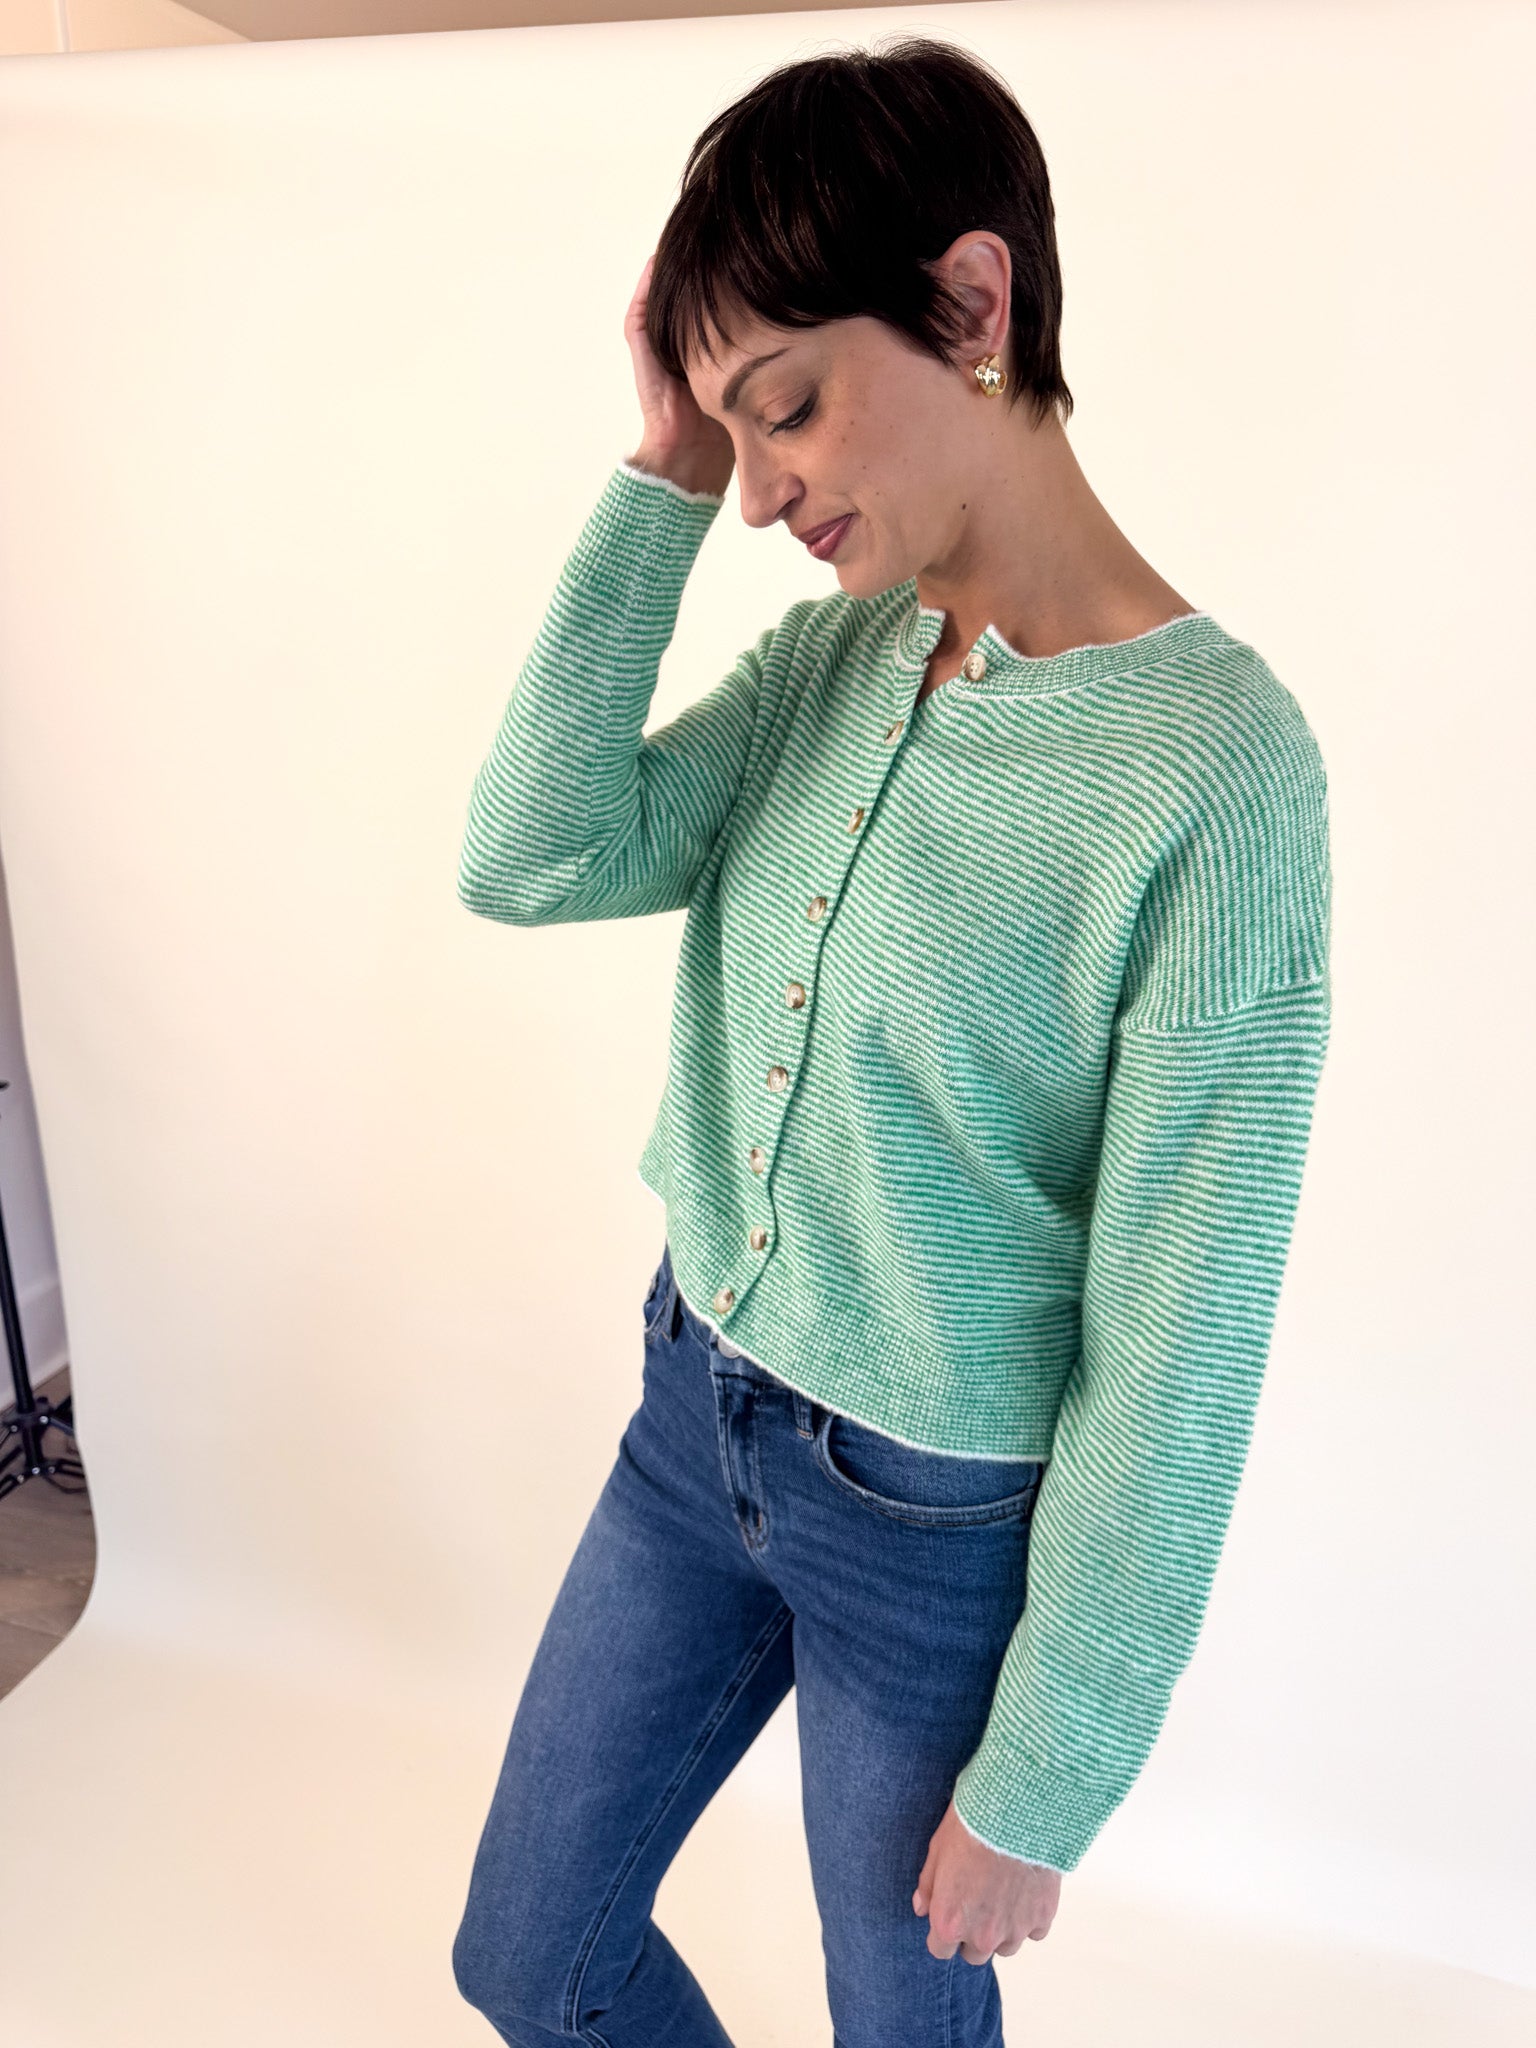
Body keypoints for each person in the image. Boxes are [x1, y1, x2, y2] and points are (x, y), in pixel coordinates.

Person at [450, 33, 1332, 2048]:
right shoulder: (835, 659)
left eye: (786, 410)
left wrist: (1052, 1771)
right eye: (732, 433)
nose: (763, 489)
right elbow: (532, 852)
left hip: (930, 1529)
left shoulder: (1220, 775)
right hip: (692, 1422)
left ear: (972, 302)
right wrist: (662, 480)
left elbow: (1184, 1330)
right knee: (531, 1954)